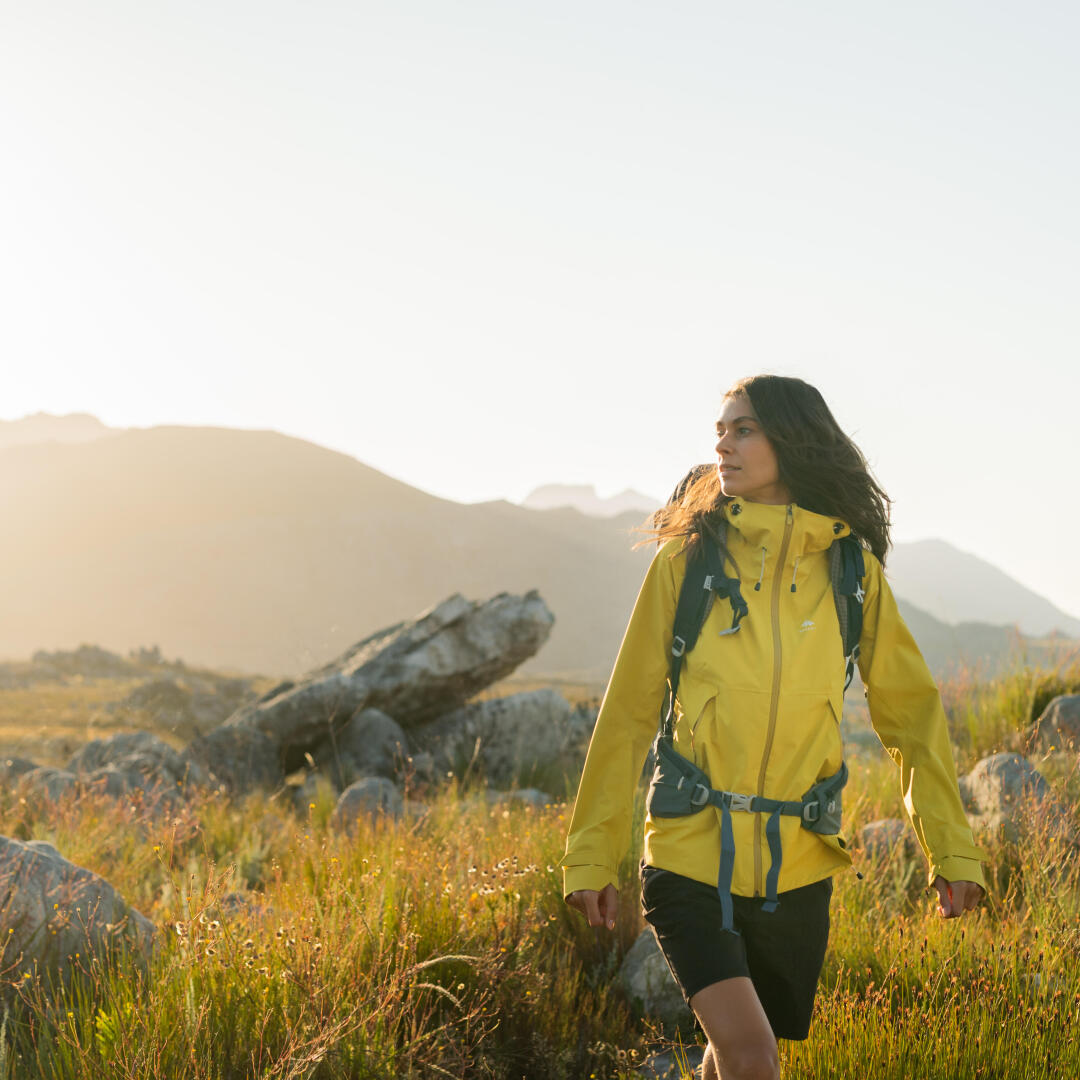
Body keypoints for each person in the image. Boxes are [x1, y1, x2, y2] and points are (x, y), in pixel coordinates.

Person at [561, 375, 986, 1080]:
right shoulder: (687, 563)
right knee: (754, 1058)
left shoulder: (854, 575)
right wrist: (592, 855)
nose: (723, 442)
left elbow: (912, 722)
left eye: (744, 428)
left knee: (730, 1054)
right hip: (689, 854)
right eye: (721, 429)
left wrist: (952, 852)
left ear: (792, 440)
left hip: (799, 865)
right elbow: (629, 715)